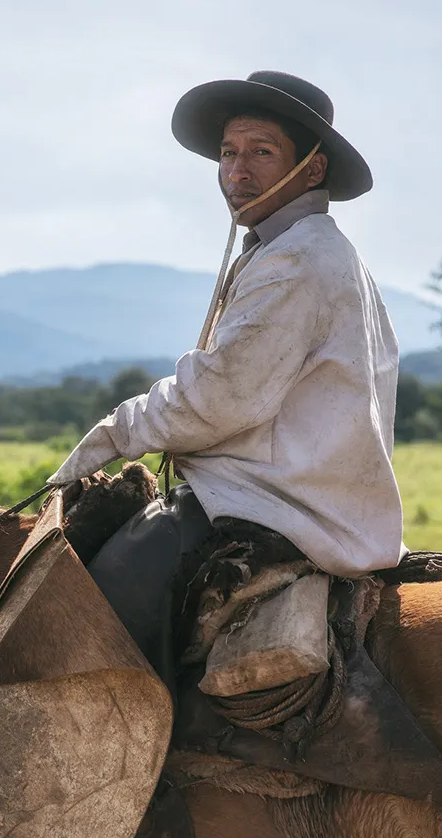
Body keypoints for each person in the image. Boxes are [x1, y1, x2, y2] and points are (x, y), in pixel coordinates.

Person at [49, 71, 404, 596]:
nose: (237, 172)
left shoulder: (297, 258)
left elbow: (222, 397)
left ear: (313, 169)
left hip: (280, 505)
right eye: (228, 153)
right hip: (296, 499)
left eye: (261, 152)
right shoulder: (301, 249)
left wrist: (117, 433)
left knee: (107, 584)